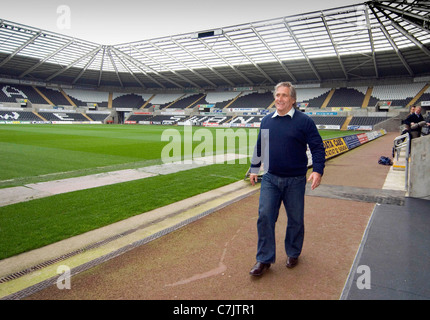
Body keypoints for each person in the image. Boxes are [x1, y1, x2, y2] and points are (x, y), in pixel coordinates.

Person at [248, 81, 326, 276]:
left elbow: (317, 147)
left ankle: (293, 252)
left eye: (284, 95)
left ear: (292, 99)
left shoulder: (304, 121)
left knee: (295, 220)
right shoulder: (266, 121)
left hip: (296, 180)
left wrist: (317, 170)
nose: (279, 99)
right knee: (265, 216)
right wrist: (254, 168)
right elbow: (260, 146)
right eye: (277, 95)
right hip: (270, 179)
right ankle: (264, 259)